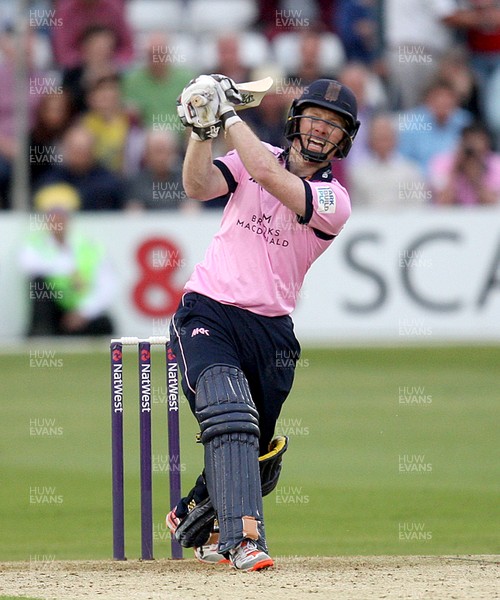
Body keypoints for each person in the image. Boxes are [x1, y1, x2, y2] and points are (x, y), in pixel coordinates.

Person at [165, 75, 359, 570]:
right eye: (315, 117)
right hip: (208, 309)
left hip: (272, 332)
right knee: (228, 411)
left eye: (333, 126)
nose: (321, 131)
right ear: (297, 121)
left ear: (344, 140)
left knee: (258, 452)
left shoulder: (335, 201)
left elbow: (271, 179)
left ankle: (196, 514)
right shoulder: (254, 154)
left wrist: (227, 114)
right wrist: (201, 129)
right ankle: (242, 541)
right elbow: (196, 185)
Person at [19, 183, 115, 336]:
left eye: (61, 215)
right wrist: (69, 272)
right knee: (38, 283)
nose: (57, 221)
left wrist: (83, 312)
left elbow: (107, 285)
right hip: (52, 314)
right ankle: (42, 335)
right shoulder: (35, 245)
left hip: (81, 312)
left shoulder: (90, 247)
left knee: (104, 324)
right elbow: (28, 266)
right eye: (52, 215)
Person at [348, 114, 426, 208]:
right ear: (370, 140)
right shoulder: (358, 172)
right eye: (378, 138)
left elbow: (418, 207)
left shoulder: (411, 171)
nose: (382, 143)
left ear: (395, 139)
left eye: (386, 137)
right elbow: (355, 207)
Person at [429, 122, 500, 205]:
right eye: (469, 142)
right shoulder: (442, 162)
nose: (473, 149)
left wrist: (475, 178)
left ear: (487, 144)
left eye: (478, 142)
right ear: (461, 143)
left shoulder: (496, 164)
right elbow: (442, 203)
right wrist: (455, 169)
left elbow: (493, 205)